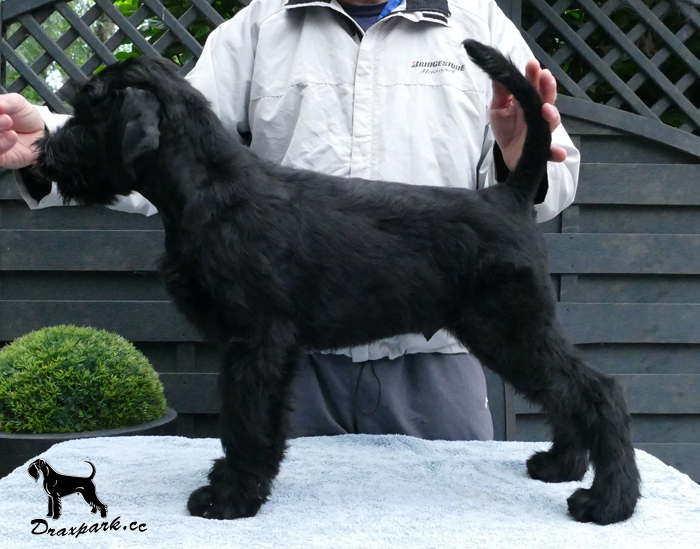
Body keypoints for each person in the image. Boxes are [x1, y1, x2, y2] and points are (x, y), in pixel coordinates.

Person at [0, 0, 579, 442]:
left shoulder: (481, 21)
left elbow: (550, 188)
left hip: (436, 366)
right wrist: (46, 142)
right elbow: (164, 150)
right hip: (294, 365)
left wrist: (516, 159)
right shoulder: (261, 24)